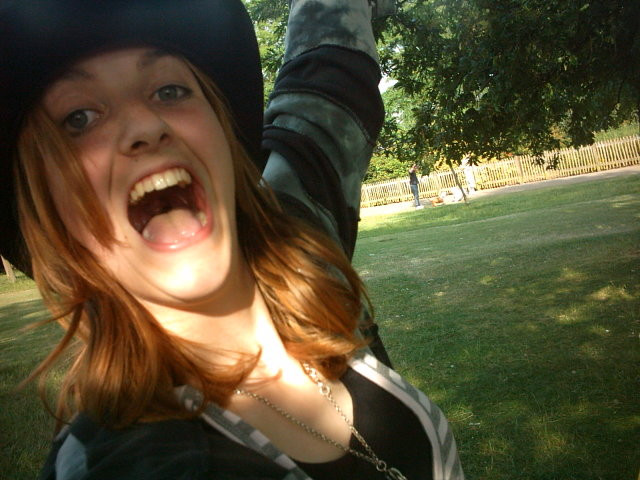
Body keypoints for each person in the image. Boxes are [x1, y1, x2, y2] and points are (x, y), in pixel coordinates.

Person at [0, 1, 464, 479]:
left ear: (223, 134)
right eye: (79, 118)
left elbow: (325, 99)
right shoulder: (128, 463)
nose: (146, 127)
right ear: (44, 205)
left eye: (169, 90)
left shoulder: (302, 247)